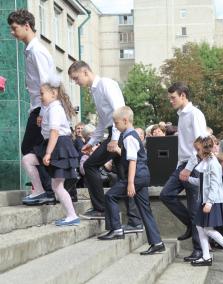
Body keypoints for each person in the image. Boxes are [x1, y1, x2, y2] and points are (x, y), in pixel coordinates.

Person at [98, 106, 165, 254]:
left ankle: (116, 229)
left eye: (116, 123)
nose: (115, 126)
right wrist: (119, 151)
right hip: (142, 175)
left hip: (136, 177)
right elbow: (130, 155)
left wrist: (130, 183)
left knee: (110, 196)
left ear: (125, 120)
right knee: (145, 210)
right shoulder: (132, 135)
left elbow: (133, 161)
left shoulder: (128, 137)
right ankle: (157, 243)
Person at [8, 9, 56, 204]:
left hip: (41, 107)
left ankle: (43, 190)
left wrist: (44, 111)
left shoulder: (37, 51)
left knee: (29, 148)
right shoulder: (31, 50)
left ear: (26, 25)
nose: (12, 32)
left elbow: (47, 83)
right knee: (36, 149)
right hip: (38, 106)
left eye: (14, 28)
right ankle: (48, 190)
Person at [68, 61, 124, 219]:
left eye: (76, 77)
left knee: (89, 165)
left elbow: (119, 111)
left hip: (118, 133)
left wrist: (114, 139)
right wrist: (91, 143)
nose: (75, 82)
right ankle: (133, 220)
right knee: (122, 175)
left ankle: (100, 209)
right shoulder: (94, 90)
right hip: (114, 133)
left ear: (85, 72)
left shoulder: (106, 84)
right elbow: (102, 121)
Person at [159, 82, 207, 262]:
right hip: (183, 164)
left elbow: (201, 144)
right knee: (166, 195)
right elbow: (184, 145)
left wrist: (188, 168)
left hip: (194, 165)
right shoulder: (181, 115)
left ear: (183, 96)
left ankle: (200, 250)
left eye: (173, 97)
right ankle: (190, 223)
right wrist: (180, 166)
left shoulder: (195, 114)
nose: (170, 101)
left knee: (195, 208)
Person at [23, 75, 80, 226]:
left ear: (53, 93)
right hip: (56, 144)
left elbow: (55, 132)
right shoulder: (50, 108)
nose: (40, 96)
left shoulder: (55, 108)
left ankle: (72, 215)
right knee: (28, 160)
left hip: (59, 145)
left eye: (42, 93)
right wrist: (41, 118)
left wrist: (48, 153)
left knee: (57, 186)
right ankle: (40, 191)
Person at [187, 136, 223, 267]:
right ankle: (206, 256)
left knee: (208, 229)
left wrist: (209, 202)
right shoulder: (206, 162)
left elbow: (215, 184)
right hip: (206, 200)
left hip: (212, 201)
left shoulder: (213, 163)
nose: (196, 152)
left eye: (197, 149)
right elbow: (204, 182)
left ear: (204, 149)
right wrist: (187, 179)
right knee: (200, 226)